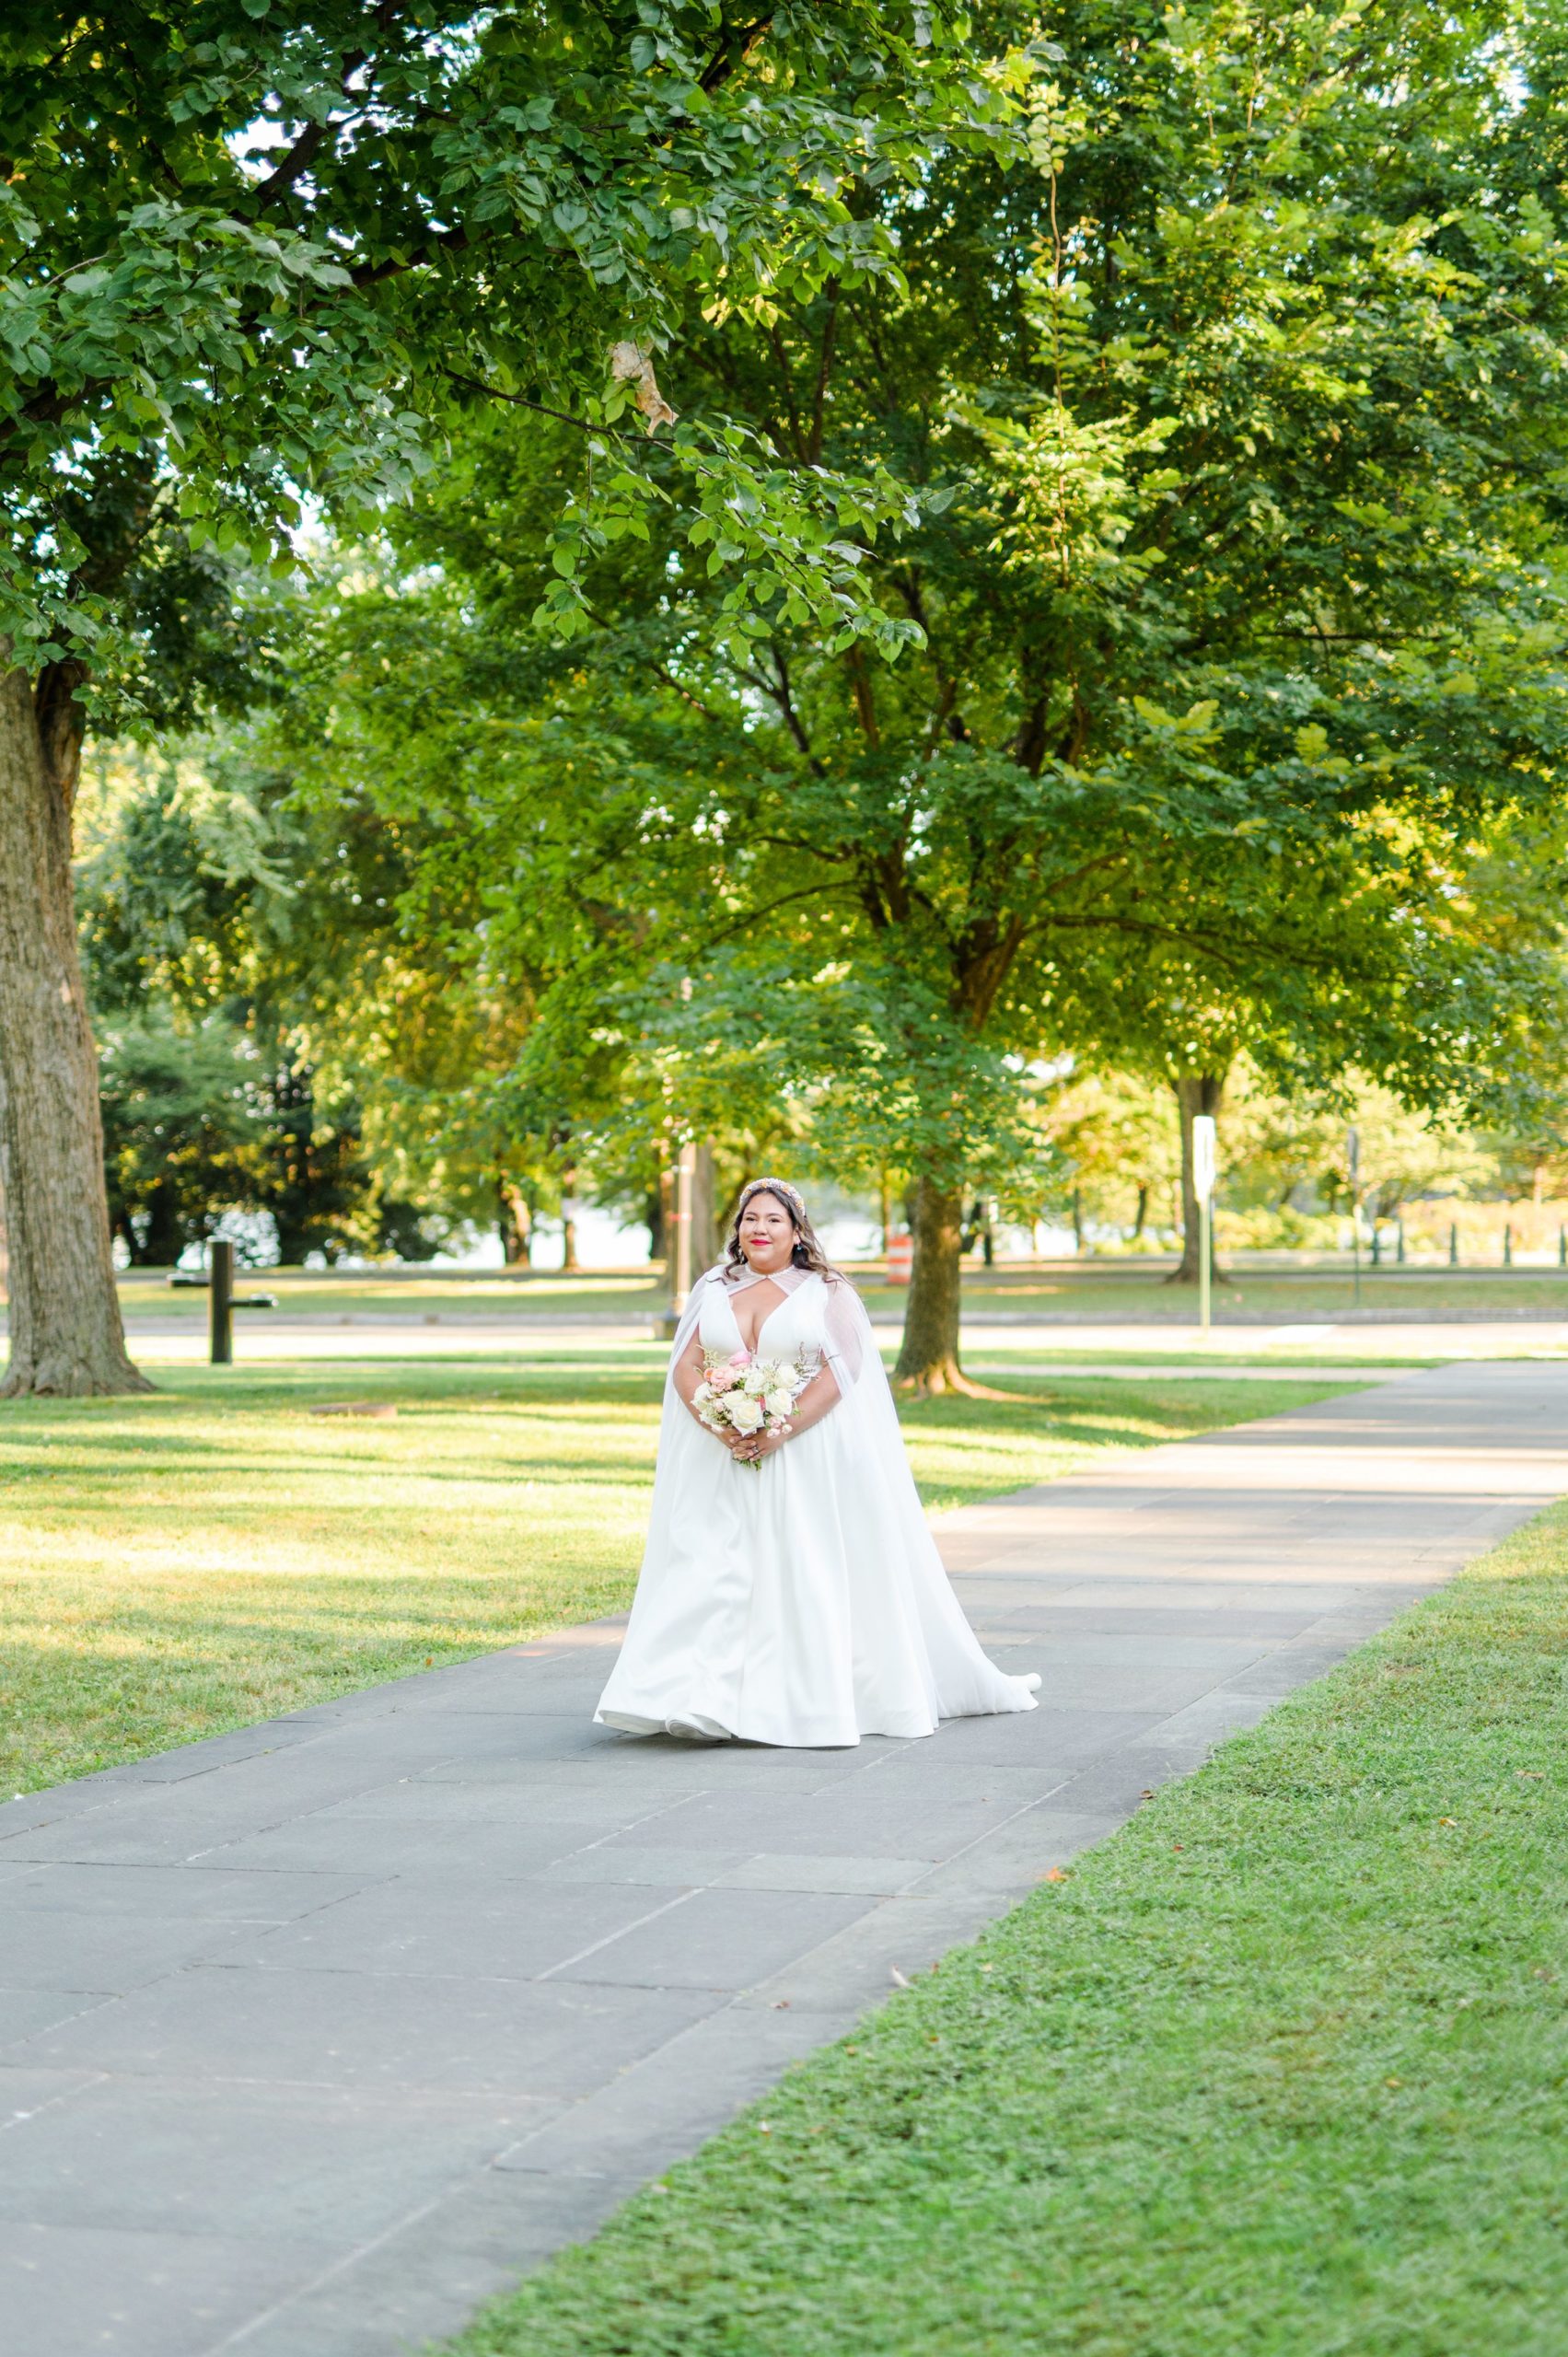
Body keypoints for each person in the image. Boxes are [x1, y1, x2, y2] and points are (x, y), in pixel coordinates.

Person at [595, 1178, 1040, 1747]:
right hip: (724, 1455)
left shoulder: (825, 1291)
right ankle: (693, 1697)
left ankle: (792, 1700)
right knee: (712, 1567)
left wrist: (779, 1429)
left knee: (797, 1568)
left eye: (773, 1220)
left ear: (796, 1230)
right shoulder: (713, 1286)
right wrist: (722, 1423)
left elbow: (844, 1370)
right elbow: (685, 1367)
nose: (760, 1229)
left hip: (803, 1453)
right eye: (750, 1219)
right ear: (737, 1229)